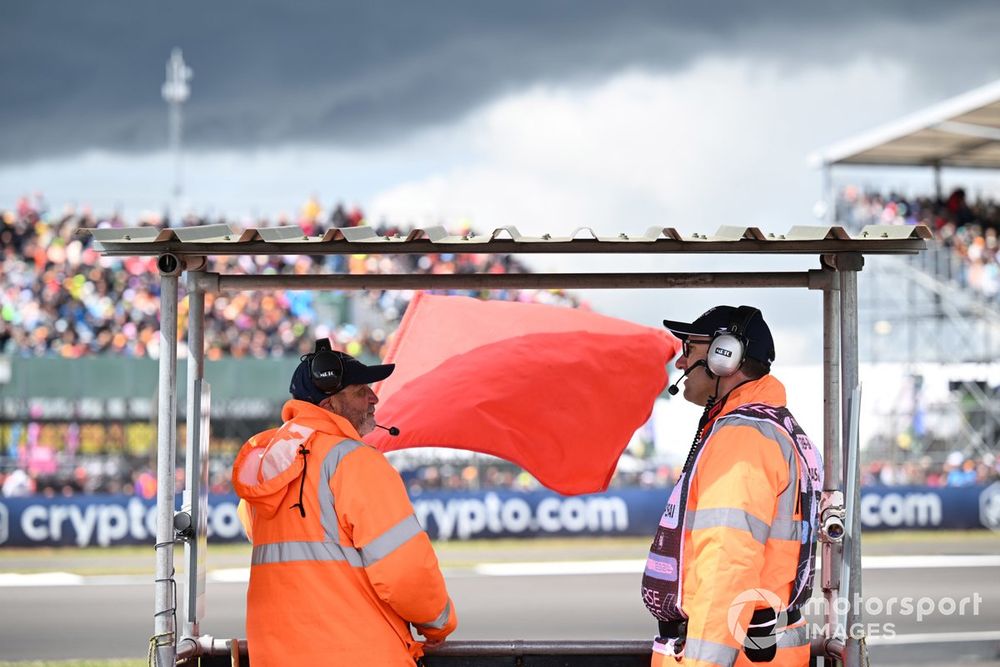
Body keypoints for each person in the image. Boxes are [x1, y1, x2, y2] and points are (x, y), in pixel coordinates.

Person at [232, 339, 457, 666]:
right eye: (360, 390)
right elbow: (405, 572)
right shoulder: (356, 462)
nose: (373, 397)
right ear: (330, 403)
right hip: (358, 654)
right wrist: (439, 623)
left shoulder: (266, 465)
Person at [642, 306, 822, 666]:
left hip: (732, 654)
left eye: (689, 349)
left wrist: (701, 663)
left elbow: (727, 564)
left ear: (724, 356)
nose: (679, 365)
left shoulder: (743, 436)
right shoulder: (770, 424)